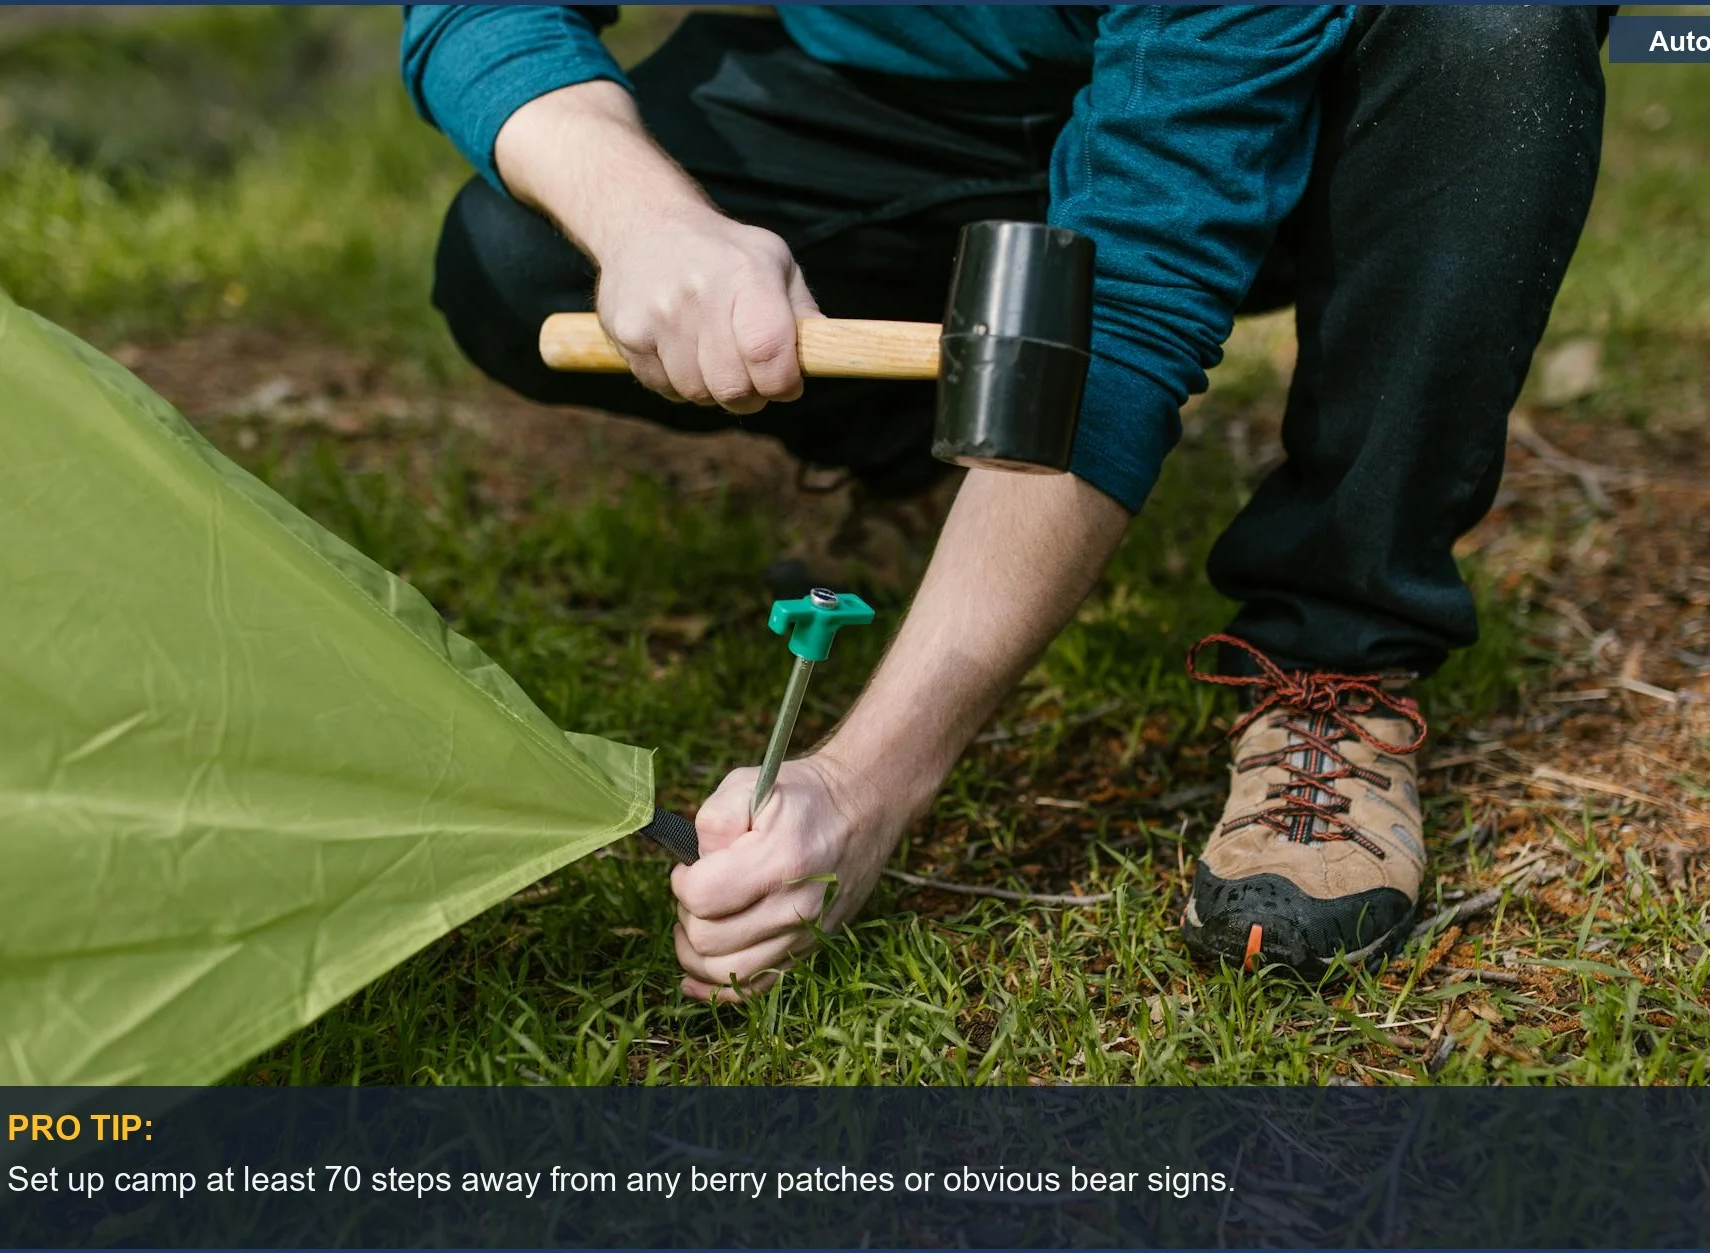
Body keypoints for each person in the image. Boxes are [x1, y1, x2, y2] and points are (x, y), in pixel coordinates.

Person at [402, 4, 1608, 997]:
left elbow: (1128, 305)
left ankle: (1336, 649)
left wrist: (863, 786)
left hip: (1298, 90)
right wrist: (649, 222)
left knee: (1490, 29)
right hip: (898, 91)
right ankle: (927, 448)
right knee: (521, 252)